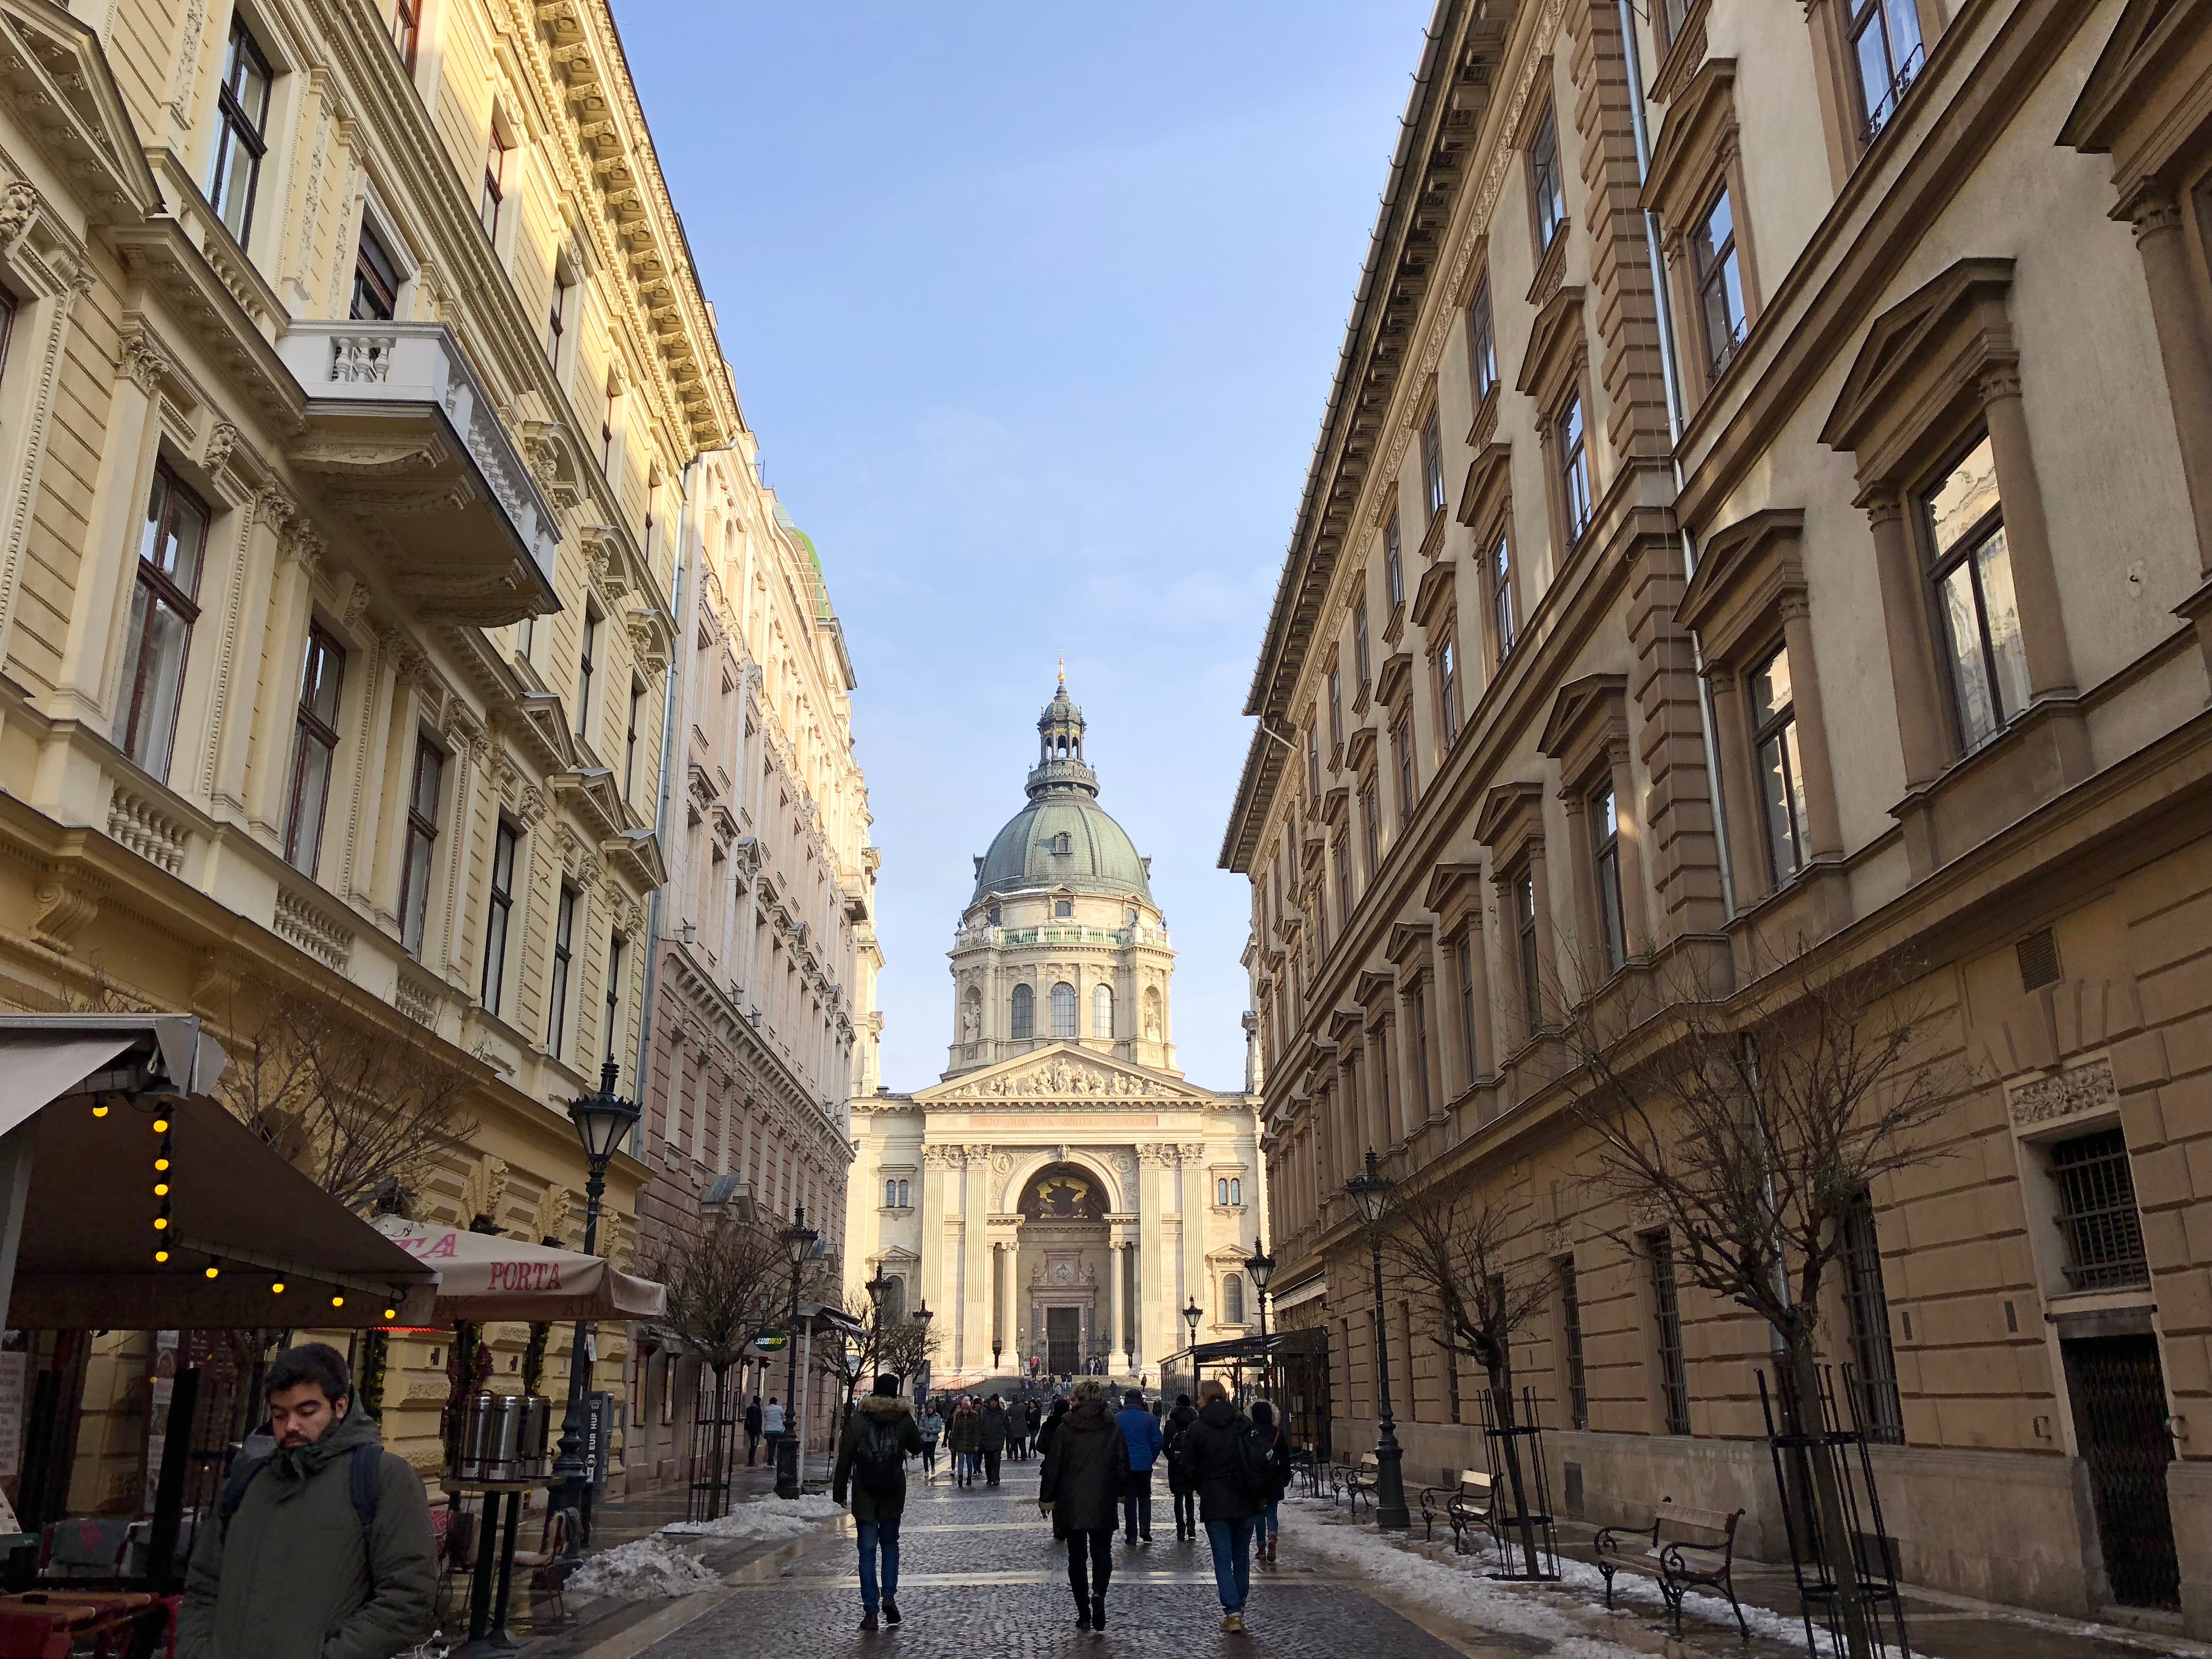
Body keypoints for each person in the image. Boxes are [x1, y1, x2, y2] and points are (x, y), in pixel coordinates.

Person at [180, 1342, 435, 1659]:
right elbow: (203, 1586)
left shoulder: (383, 1478)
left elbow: (407, 1595)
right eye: (279, 1414)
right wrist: (198, 1651)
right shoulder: (248, 1483)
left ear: (340, 1406)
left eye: (307, 1412)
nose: (290, 1426)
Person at [834, 1374, 925, 1633]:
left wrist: (839, 1491)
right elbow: (917, 1448)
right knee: (890, 1544)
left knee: (866, 1552)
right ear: (896, 1393)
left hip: (865, 1492)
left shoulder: (859, 1420)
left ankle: (871, 1612)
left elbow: (845, 1458)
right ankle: (889, 1596)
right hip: (892, 1492)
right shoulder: (903, 1420)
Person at [1037, 1379, 1128, 1632]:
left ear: (1077, 1400)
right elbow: (1123, 1464)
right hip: (1102, 1500)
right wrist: (1120, 1493)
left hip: (1072, 1501)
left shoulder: (1066, 1429)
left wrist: (1047, 1498)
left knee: (1076, 1558)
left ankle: (1083, 1613)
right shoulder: (1112, 1428)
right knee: (1102, 1553)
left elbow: (1053, 1467)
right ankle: (1099, 1594)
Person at [1178, 1379, 1262, 1633]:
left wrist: (1201, 1486)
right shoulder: (1243, 1424)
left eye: (1199, 1397)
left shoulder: (1197, 1429)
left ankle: (1233, 1612)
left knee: (1223, 1558)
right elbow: (1257, 1458)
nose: (1198, 1401)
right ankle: (1239, 1607)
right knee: (1241, 1556)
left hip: (1215, 1501)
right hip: (1246, 1498)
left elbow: (1188, 1469)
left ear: (1204, 1398)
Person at [1114, 1389, 1164, 1545]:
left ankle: (1131, 1534)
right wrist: (1150, 1458)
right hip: (1143, 1464)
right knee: (1144, 1498)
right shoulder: (1149, 1418)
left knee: (1129, 1500)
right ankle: (1145, 1531)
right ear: (1140, 1401)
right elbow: (1157, 1442)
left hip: (1125, 1466)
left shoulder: (1117, 1418)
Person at [1249, 1401, 1295, 1562]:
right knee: (1272, 1513)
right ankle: (1273, 1535)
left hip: (1256, 1479)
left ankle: (1261, 1547)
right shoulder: (1278, 1434)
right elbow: (1285, 1458)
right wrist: (1285, 1477)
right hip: (1274, 1479)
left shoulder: (1251, 1433)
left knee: (1259, 1514)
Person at [1163, 1392, 1199, 1540]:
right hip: (1190, 1462)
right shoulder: (1195, 1422)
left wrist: (1172, 1457)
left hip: (1176, 1464)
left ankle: (1180, 1528)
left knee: (1178, 1497)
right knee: (1189, 1495)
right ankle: (1191, 1526)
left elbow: (1165, 1445)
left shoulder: (1171, 1423)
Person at [947, 1398, 981, 1486]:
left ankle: (969, 1477)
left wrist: (976, 1444)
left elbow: (976, 1432)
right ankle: (961, 1477)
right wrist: (953, 1445)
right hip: (961, 1444)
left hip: (970, 1444)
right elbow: (955, 1432)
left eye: (967, 1410)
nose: (965, 1411)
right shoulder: (959, 1419)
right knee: (961, 1461)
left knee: (969, 1462)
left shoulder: (973, 1418)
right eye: (964, 1410)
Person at [979, 1394, 1008, 1485]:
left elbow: (1007, 1425)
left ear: (997, 1402)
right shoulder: (985, 1412)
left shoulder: (1002, 1413)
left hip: (998, 1440)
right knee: (988, 1462)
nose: (993, 1403)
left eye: (995, 1401)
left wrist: (1010, 1438)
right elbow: (980, 1425)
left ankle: (996, 1478)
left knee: (996, 1460)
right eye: (992, 1401)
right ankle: (989, 1478)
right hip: (986, 1440)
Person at [917, 1402, 944, 1482]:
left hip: (933, 1439)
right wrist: (924, 1430)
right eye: (929, 1408)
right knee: (925, 1455)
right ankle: (926, 1471)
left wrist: (932, 1431)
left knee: (931, 1454)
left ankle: (932, 1466)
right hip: (925, 1438)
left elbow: (939, 1428)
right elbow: (919, 1427)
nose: (930, 1410)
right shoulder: (924, 1417)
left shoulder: (937, 1417)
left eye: (931, 1408)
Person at [1036, 1394, 1069, 1460]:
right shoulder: (1072, 1425)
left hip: (1051, 1462)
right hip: (1069, 1463)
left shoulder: (1048, 1425)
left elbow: (1041, 1446)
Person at [762, 1395, 786, 1468]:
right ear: (776, 1402)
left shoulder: (766, 1409)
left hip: (769, 1430)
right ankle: (772, 1461)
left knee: (770, 1445)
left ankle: (770, 1460)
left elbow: (765, 1417)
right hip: (777, 1430)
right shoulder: (780, 1408)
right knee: (774, 1445)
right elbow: (783, 1417)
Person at [744, 1395, 764, 1466]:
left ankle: (751, 1460)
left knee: (753, 1445)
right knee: (754, 1446)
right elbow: (759, 1422)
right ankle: (751, 1461)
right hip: (755, 1431)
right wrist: (760, 1430)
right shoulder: (758, 1410)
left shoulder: (749, 1409)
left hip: (750, 1430)